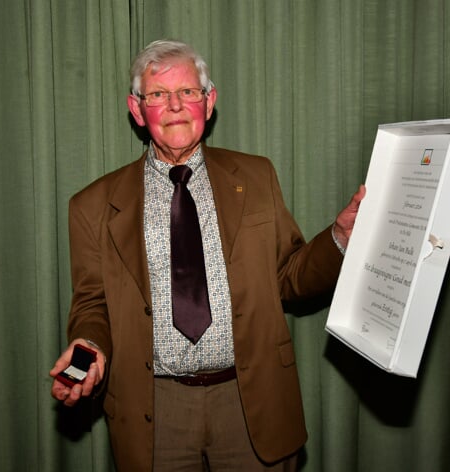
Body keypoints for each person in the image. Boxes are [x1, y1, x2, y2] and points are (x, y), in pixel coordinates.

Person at [49, 39, 365, 471]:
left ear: (209, 101)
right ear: (137, 110)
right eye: (158, 95)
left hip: (250, 401)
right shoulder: (92, 206)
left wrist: (340, 237)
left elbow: (290, 277)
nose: (175, 105)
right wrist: (87, 349)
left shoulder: (256, 176)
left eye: (188, 92)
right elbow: (92, 305)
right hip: (157, 411)